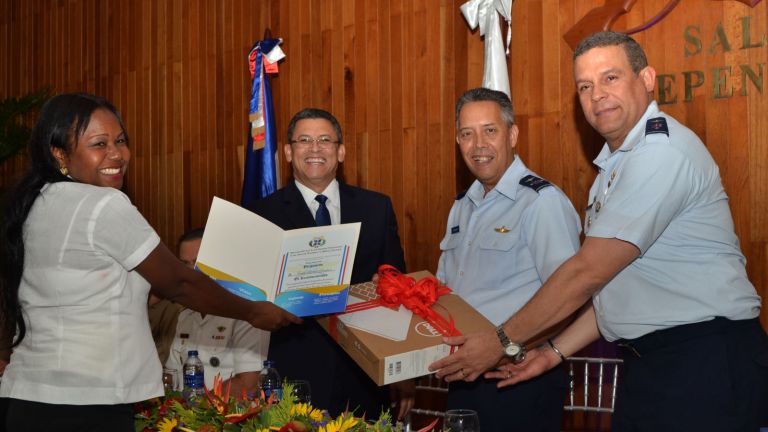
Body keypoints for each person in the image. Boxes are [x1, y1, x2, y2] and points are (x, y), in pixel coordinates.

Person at [431, 32, 768, 431]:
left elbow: (585, 274)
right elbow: (611, 290)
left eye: (611, 78)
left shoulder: (661, 152)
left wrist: (501, 342)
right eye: (585, 86)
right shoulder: (611, 171)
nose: (597, 95)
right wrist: (553, 353)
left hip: (704, 362)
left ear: (646, 79)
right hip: (653, 366)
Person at [0, 93, 301, 432]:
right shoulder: (103, 205)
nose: (116, 154)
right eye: (99, 143)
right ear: (60, 154)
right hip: (87, 403)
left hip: (26, 398)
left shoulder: (33, 204)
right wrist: (253, 311)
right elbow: (179, 282)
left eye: (121, 141)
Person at [432, 88, 581, 431]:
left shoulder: (540, 202)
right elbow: (444, 293)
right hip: (464, 379)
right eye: (467, 134)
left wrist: (511, 348)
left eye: (490, 130)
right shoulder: (462, 206)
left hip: (518, 377)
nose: (478, 144)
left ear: (512, 134)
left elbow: (570, 297)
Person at [249, 108, 413, 419]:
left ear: (340, 151)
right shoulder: (261, 216)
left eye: (325, 140)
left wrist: (401, 370)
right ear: (287, 151)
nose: (314, 149)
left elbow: (398, 286)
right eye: (304, 140)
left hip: (365, 374)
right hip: (294, 373)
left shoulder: (377, 208)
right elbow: (253, 300)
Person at [165, 228, 269, 396]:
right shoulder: (185, 316)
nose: (191, 271)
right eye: (185, 264)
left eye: (198, 263)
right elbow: (172, 375)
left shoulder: (245, 313)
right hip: (185, 414)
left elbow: (248, 384)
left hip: (230, 417)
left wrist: (197, 411)